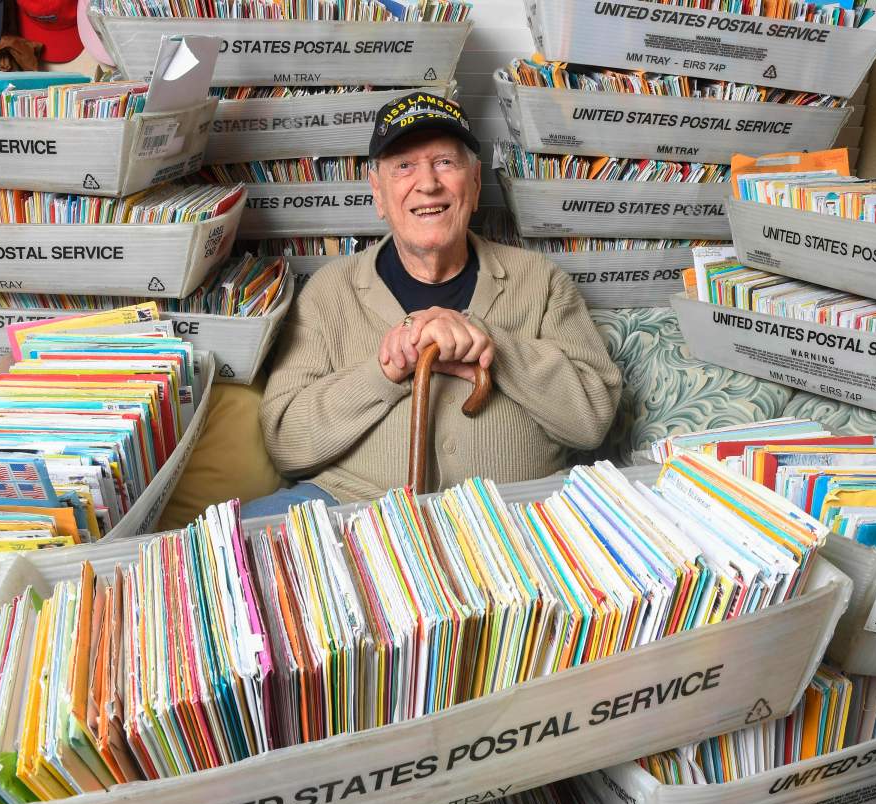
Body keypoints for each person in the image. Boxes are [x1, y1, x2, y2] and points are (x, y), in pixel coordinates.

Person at [247, 92, 622, 518]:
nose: (427, 183)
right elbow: (286, 443)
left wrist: (491, 343)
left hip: (515, 509)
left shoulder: (541, 280)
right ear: (378, 194)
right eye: (404, 166)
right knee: (233, 545)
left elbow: (592, 419)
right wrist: (384, 373)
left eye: (445, 162)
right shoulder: (329, 291)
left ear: (476, 183)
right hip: (357, 507)